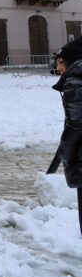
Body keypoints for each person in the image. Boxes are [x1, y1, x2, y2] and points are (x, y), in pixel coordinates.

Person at [52, 36, 82, 234]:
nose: (57, 68)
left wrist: (65, 153)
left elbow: (76, 124)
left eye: (60, 62)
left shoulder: (75, 81)